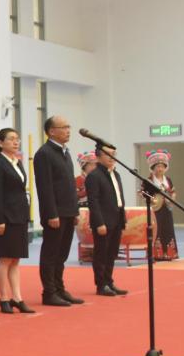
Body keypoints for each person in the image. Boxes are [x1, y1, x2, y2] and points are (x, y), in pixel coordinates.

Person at [32, 115, 83, 307]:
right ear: (51, 131)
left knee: (62, 254)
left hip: (68, 211)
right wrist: (51, 213)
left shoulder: (65, 152)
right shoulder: (44, 153)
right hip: (55, 213)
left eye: (69, 126)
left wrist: (75, 211)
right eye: (64, 127)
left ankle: (60, 288)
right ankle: (49, 292)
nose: (68, 130)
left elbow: (69, 185)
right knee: (51, 254)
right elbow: (44, 187)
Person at [0, 128, 34, 315]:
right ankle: (4, 298)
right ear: (0, 143)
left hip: (20, 215)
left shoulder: (17, 162)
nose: (16, 142)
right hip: (6, 218)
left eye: (17, 139)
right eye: (11, 139)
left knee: (15, 259)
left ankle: (17, 297)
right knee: (5, 258)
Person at [85, 144, 128, 296]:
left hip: (117, 219)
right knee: (101, 254)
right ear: (98, 157)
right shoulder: (94, 176)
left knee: (112, 253)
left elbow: (119, 198)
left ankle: (109, 281)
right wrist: (99, 222)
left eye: (113, 154)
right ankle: (101, 284)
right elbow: (93, 201)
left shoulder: (116, 174)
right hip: (103, 221)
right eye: (107, 154)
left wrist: (123, 218)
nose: (111, 157)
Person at [145, 149, 178, 260]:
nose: (160, 169)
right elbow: (142, 192)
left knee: (168, 229)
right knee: (156, 230)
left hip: (167, 208)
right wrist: (152, 199)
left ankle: (169, 253)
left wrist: (172, 199)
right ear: (153, 167)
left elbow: (173, 191)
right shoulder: (149, 180)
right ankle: (156, 254)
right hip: (155, 209)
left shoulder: (168, 179)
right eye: (158, 167)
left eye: (162, 167)